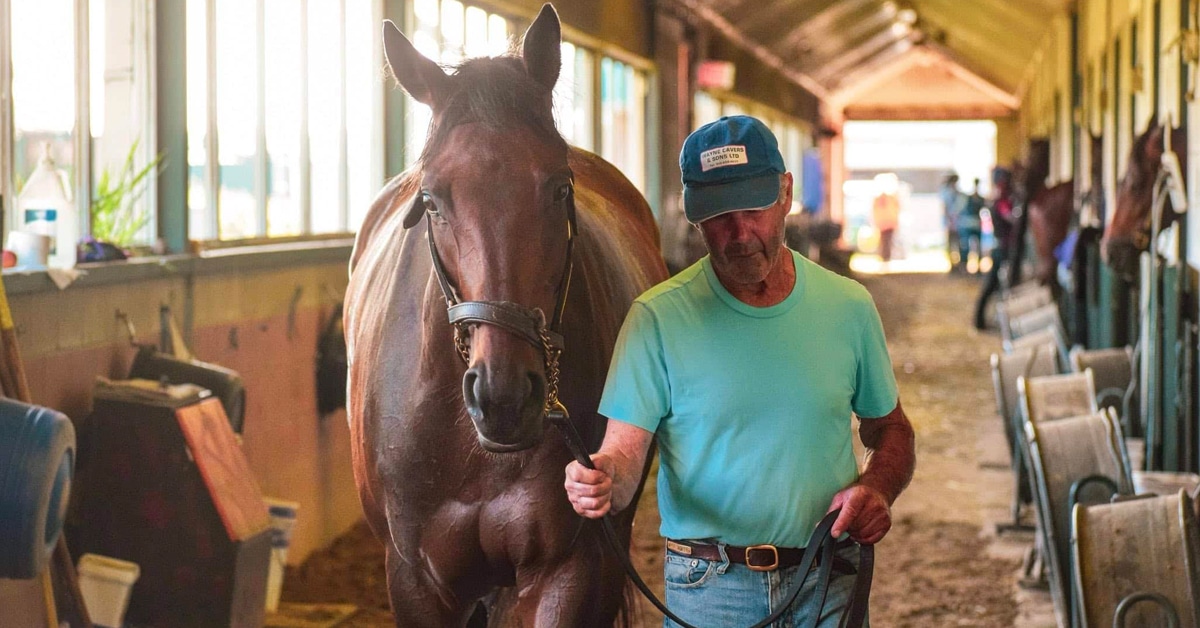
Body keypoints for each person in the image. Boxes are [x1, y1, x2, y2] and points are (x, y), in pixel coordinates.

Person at [563, 115, 916, 627]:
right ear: (695, 218)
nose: (740, 234)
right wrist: (599, 480)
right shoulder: (656, 320)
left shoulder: (848, 307)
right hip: (710, 589)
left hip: (827, 577)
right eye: (719, 216)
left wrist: (878, 487)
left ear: (785, 194)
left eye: (754, 209)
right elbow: (622, 456)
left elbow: (892, 432)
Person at [974, 168, 1017, 329]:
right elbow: (1011, 218)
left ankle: (981, 320)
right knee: (993, 284)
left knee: (992, 284)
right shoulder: (1002, 202)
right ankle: (980, 320)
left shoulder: (998, 200)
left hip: (1000, 246)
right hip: (1002, 248)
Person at [957, 179, 985, 274]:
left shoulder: (979, 198)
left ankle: (972, 267)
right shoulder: (969, 198)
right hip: (969, 224)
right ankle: (965, 266)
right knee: (967, 247)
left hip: (973, 224)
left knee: (973, 247)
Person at [871, 185, 900, 262]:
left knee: (886, 241)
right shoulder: (890, 199)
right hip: (886, 223)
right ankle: (885, 256)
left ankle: (885, 256)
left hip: (886, 223)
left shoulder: (886, 199)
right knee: (885, 241)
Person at [939, 174, 963, 271]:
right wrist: (949, 220)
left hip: (957, 222)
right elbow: (945, 207)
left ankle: (956, 263)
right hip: (951, 222)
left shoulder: (954, 192)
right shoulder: (947, 192)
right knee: (952, 244)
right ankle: (952, 264)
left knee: (956, 244)